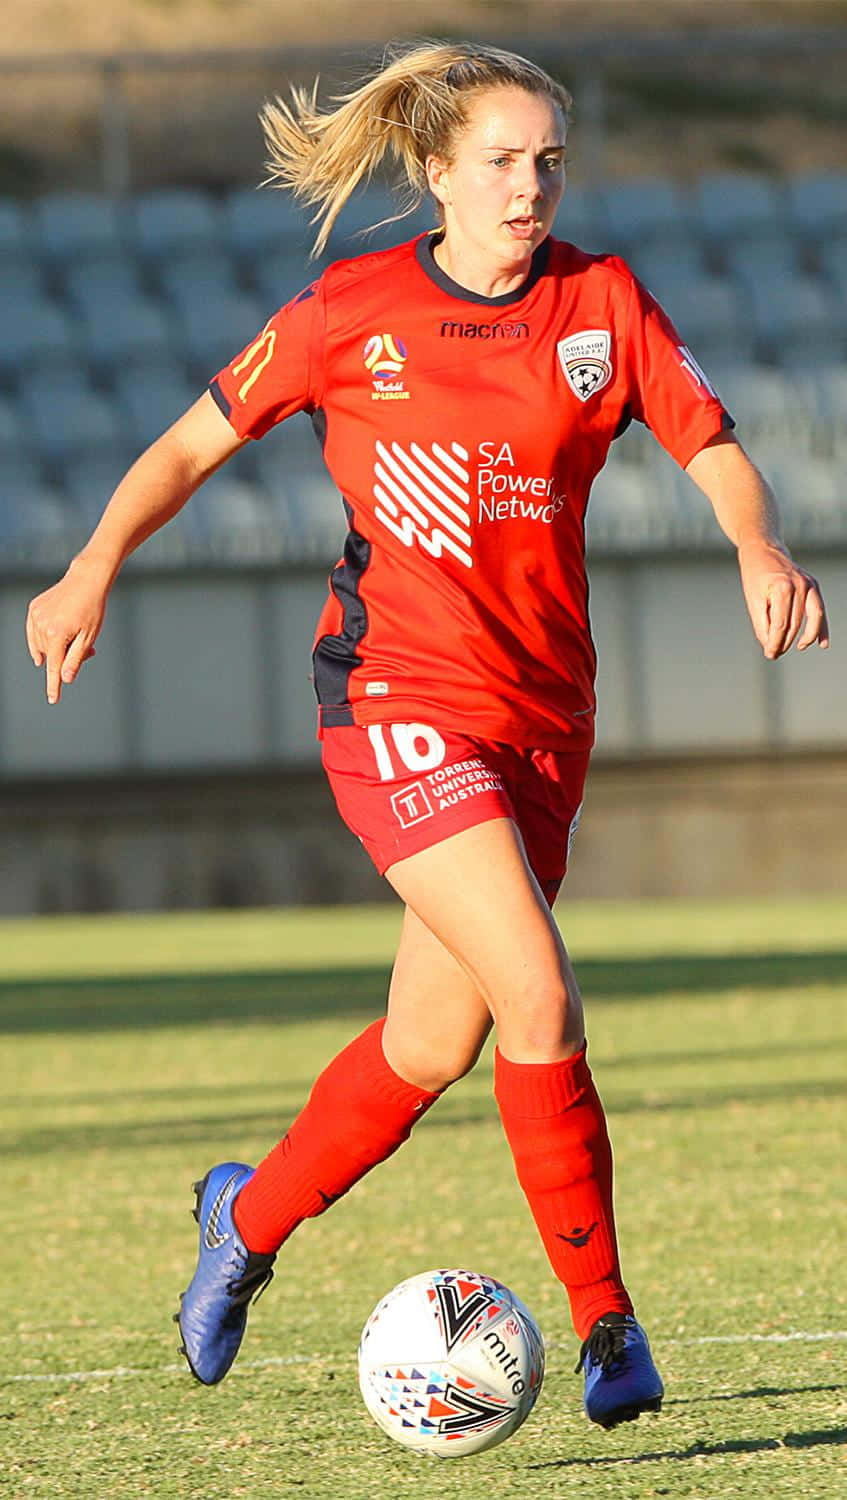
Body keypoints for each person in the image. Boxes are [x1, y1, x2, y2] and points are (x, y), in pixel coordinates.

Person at [25, 41, 829, 1432]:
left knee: (425, 1047)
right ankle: (607, 1329)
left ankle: (246, 1219)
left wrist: (757, 542)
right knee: (541, 996)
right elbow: (186, 450)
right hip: (393, 701)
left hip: (541, 723)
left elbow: (709, 439)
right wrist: (93, 563)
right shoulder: (352, 312)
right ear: (438, 172)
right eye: (504, 162)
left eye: (549, 161)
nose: (532, 188)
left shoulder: (600, 301)